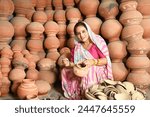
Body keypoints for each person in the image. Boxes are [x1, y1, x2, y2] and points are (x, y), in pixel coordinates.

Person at [61, 21, 113, 99]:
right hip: (82, 68)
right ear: (76, 36)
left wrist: (93, 62)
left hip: (97, 68)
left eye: (83, 31)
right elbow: (75, 64)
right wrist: (68, 63)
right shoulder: (77, 48)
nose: (81, 35)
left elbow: (106, 60)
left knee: (90, 70)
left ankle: (90, 94)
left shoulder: (96, 42)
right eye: (78, 33)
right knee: (64, 70)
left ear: (88, 30)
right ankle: (76, 92)